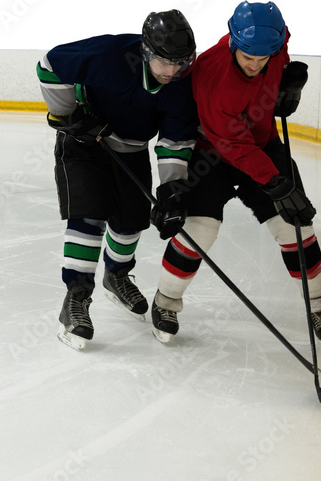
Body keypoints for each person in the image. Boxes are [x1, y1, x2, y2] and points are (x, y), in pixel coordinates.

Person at [149, 1, 321, 346]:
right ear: (234, 42)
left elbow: (280, 47)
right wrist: (277, 184)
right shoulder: (212, 75)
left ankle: (319, 303)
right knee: (199, 230)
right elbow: (232, 144)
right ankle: (165, 302)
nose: (255, 65)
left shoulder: (272, 46)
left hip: (264, 146)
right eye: (247, 57)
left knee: (294, 224)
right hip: (212, 156)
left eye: (262, 59)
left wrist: (286, 89)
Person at [37, 10, 199, 350]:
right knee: (90, 215)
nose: (172, 71)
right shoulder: (110, 56)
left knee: (130, 222)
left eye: (180, 63)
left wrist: (172, 189)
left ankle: (116, 276)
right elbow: (49, 65)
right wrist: (69, 116)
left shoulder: (182, 86)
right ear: (145, 51)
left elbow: (175, 140)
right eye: (164, 62)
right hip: (84, 140)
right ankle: (76, 299)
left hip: (132, 147)